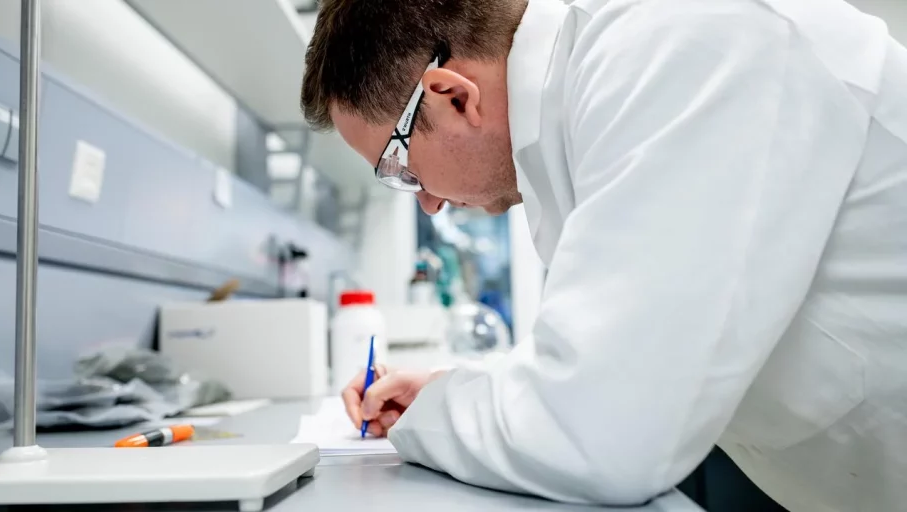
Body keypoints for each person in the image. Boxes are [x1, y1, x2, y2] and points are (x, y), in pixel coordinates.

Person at [301, 0, 907, 510]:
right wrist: (461, 387)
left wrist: (431, 416)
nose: (427, 204)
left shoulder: (682, 45)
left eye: (399, 166)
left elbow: (605, 435)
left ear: (452, 96)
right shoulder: (598, 94)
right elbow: (618, 352)